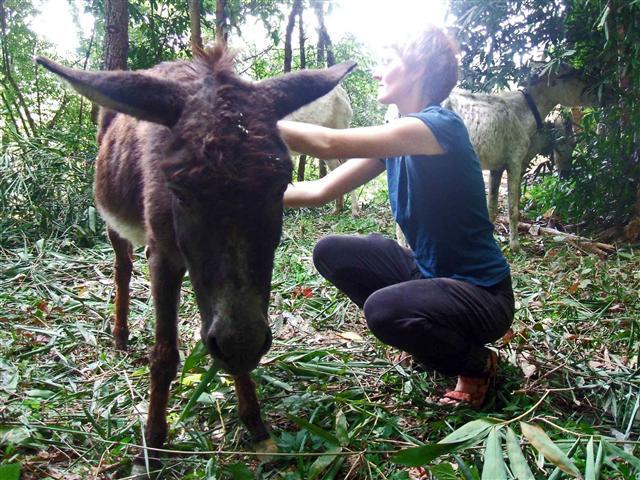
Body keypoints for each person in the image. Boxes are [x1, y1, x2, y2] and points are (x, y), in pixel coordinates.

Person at [277, 25, 514, 408]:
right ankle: (426, 338)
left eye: (387, 61)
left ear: (417, 69)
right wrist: (239, 194)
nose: (376, 71)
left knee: (382, 311)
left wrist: (243, 116)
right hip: (429, 276)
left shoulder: (440, 127)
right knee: (330, 251)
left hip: (483, 296)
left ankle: (476, 363)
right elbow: (316, 192)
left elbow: (327, 144)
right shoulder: (398, 140)